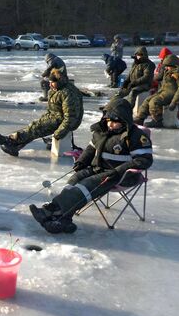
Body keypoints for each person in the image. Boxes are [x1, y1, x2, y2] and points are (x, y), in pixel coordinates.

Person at [29, 97, 153, 234]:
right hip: (98, 168)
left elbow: (144, 159)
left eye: (115, 122)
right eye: (108, 120)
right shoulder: (101, 131)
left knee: (86, 185)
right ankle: (63, 220)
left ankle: (50, 210)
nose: (110, 124)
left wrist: (119, 171)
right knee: (74, 180)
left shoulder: (135, 136)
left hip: (121, 175)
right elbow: (90, 150)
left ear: (125, 120)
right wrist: (82, 162)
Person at [0, 68, 83, 157]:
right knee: (34, 126)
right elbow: (53, 109)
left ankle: (11, 141)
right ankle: (14, 145)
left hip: (65, 122)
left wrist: (60, 132)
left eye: (52, 82)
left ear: (59, 81)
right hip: (56, 117)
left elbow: (71, 117)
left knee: (36, 129)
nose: (50, 85)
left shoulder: (68, 93)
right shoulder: (57, 89)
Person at [134, 54, 179, 128]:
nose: (167, 68)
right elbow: (158, 78)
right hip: (163, 91)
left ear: (173, 65)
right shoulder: (167, 70)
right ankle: (140, 118)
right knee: (147, 100)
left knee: (154, 101)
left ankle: (157, 120)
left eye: (168, 66)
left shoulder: (177, 73)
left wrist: (174, 102)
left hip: (172, 93)